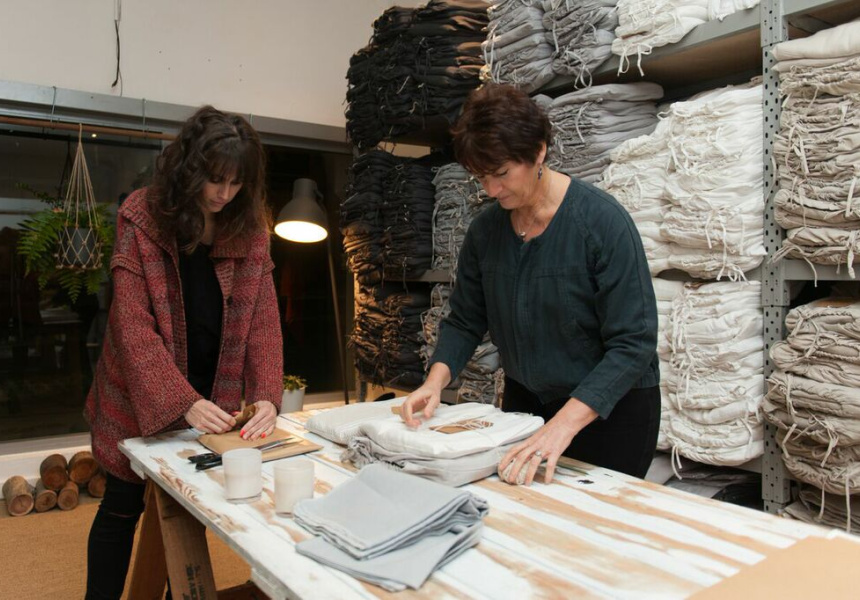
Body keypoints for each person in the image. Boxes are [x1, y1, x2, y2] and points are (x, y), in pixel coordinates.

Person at [402, 84, 660, 486]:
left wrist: (563, 425)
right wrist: (434, 382)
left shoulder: (602, 223)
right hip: (527, 404)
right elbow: (465, 319)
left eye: (501, 173)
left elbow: (634, 343)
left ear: (538, 152)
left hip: (609, 414)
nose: (491, 190)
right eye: (481, 177)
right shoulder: (485, 232)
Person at [84, 106, 283, 599]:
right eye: (215, 179)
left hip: (212, 387)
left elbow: (262, 319)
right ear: (190, 168)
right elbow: (132, 326)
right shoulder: (143, 216)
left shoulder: (249, 228)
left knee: (186, 510)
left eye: (236, 182)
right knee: (122, 506)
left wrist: (266, 395)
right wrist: (180, 401)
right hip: (138, 389)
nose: (223, 193)